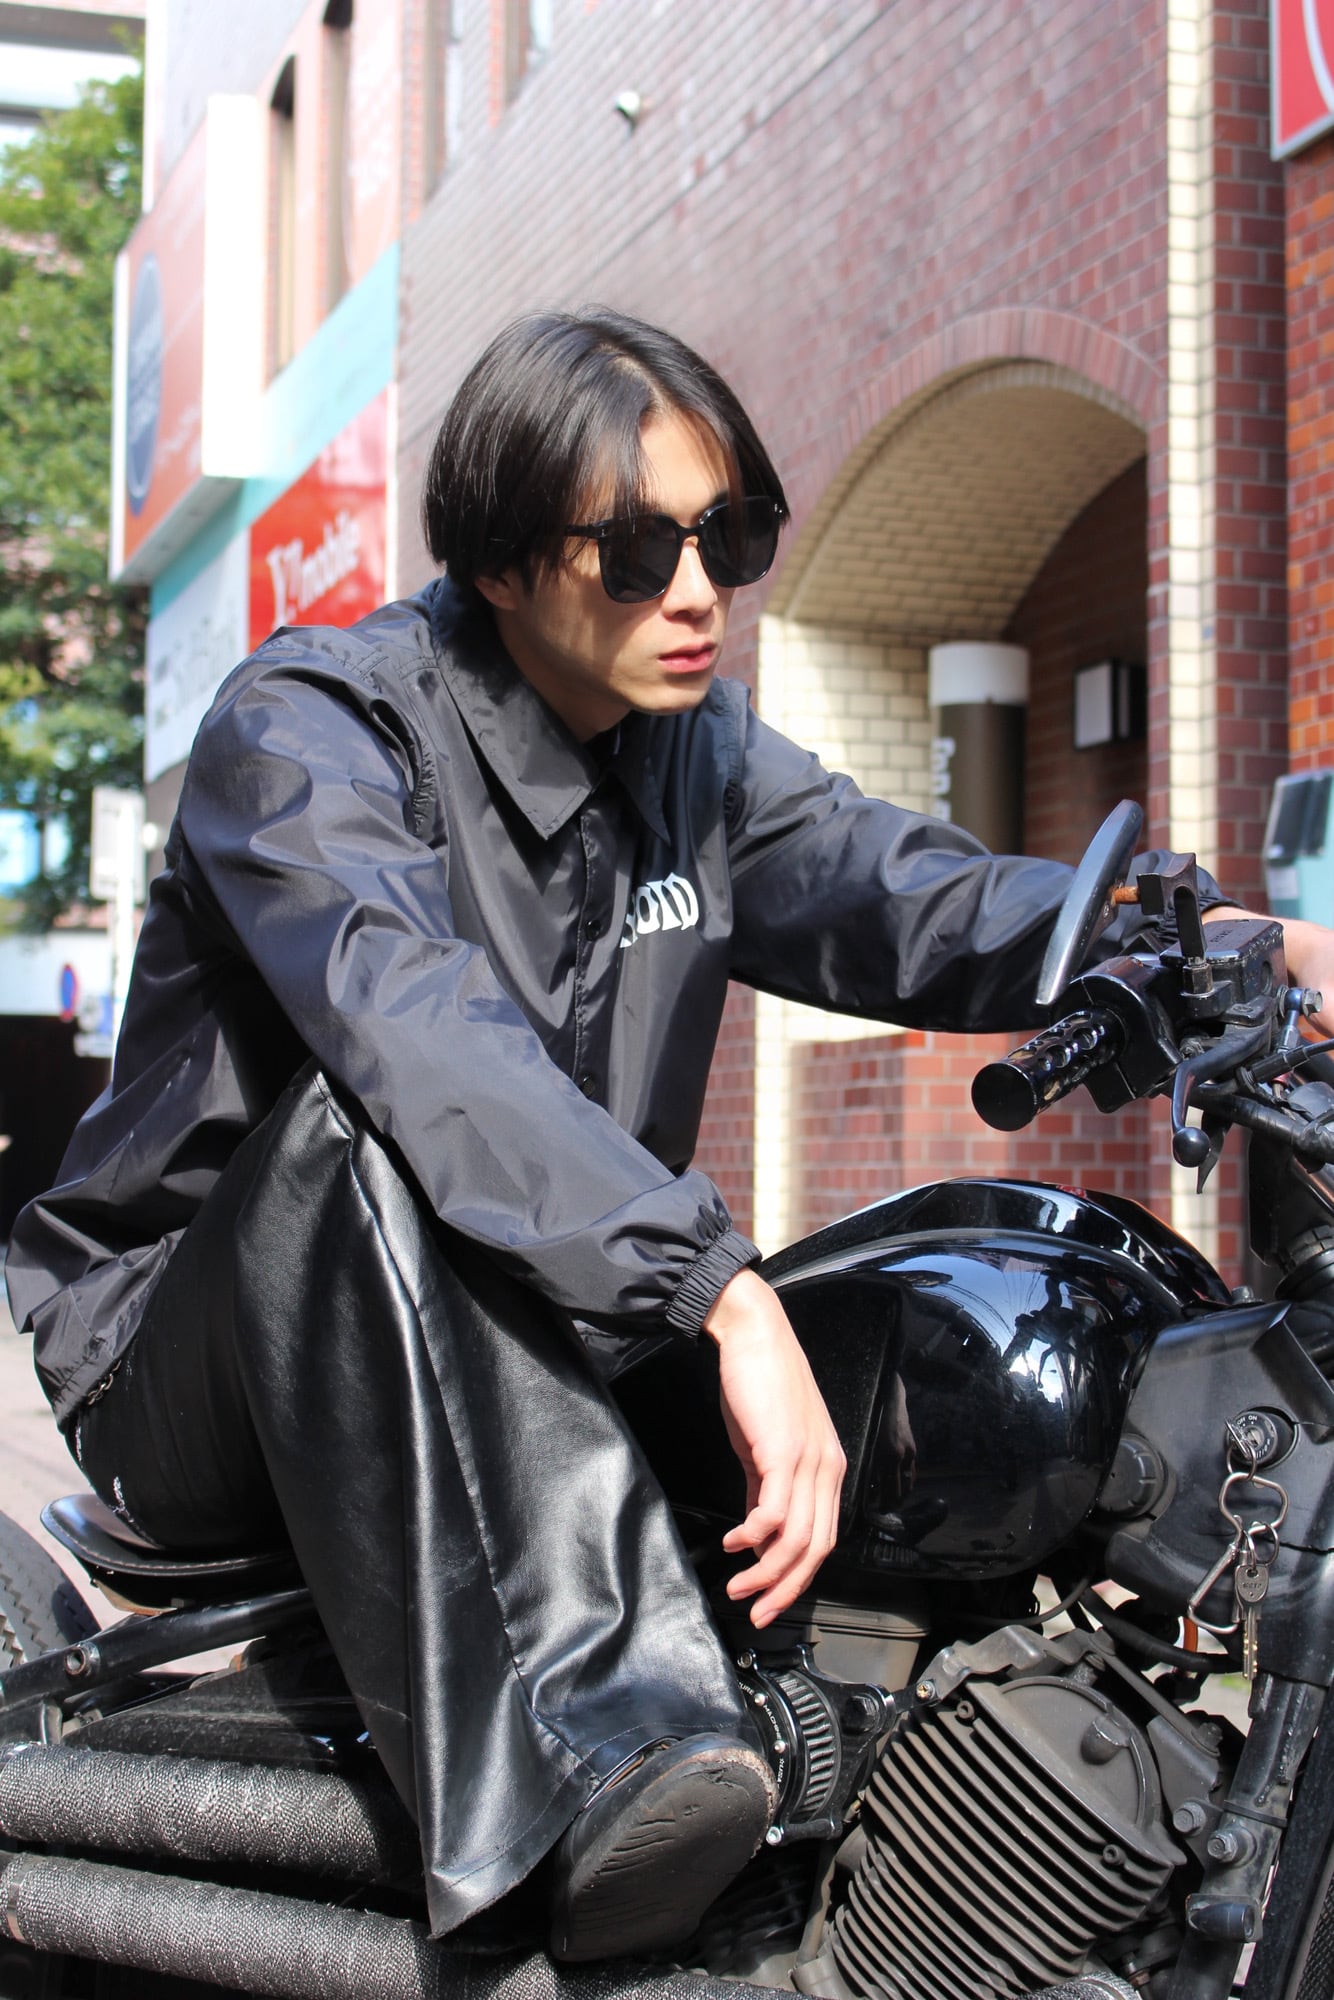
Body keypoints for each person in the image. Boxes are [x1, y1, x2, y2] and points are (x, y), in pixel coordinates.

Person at [7, 308, 1333, 1962]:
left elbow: (912, 895)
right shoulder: (311, 731)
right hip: (200, 1359)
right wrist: (715, 1287)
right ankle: (602, 1762)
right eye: (638, 551)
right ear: (502, 561)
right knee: (365, 1123)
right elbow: (418, 1034)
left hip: (537, 1326)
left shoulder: (695, 762)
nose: (698, 589)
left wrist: (1249, 948)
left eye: (730, 535)